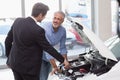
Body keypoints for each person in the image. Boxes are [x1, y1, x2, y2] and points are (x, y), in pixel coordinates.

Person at [5, 2, 69, 80]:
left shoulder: (17, 21)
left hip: (15, 65)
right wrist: (63, 60)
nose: (44, 17)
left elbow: (7, 41)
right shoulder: (38, 30)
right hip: (29, 69)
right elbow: (48, 48)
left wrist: (9, 58)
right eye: (44, 15)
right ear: (40, 14)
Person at [39, 11, 69, 80]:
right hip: (39, 54)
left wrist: (65, 62)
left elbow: (63, 48)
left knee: (49, 75)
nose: (55, 21)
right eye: (54, 18)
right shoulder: (46, 28)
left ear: (62, 21)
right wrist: (55, 66)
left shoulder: (63, 31)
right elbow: (47, 49)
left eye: (58, 19)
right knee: (43, 77)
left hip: (49, 55)